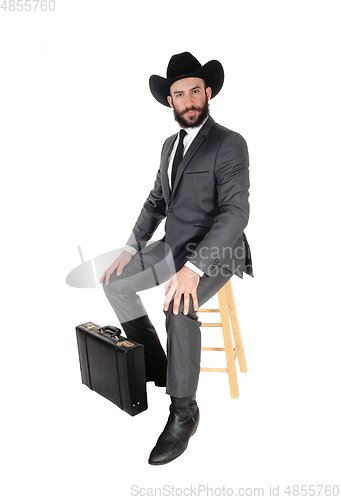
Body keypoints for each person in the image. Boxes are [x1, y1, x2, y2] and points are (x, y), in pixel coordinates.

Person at [100, 52, 253, 465]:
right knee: (114, 281)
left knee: (178, 302)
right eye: (178, 93)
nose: (188, 100)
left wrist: (194, 268)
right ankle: (160, 363)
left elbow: (236, 213)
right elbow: (155, 202)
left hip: (217, 252)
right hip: (173, 244)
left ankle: (184, 411)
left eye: (194, 91)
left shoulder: (229, 143)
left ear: (208, 93)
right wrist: (131, 247)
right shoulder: (169, 145)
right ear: (170, 101)